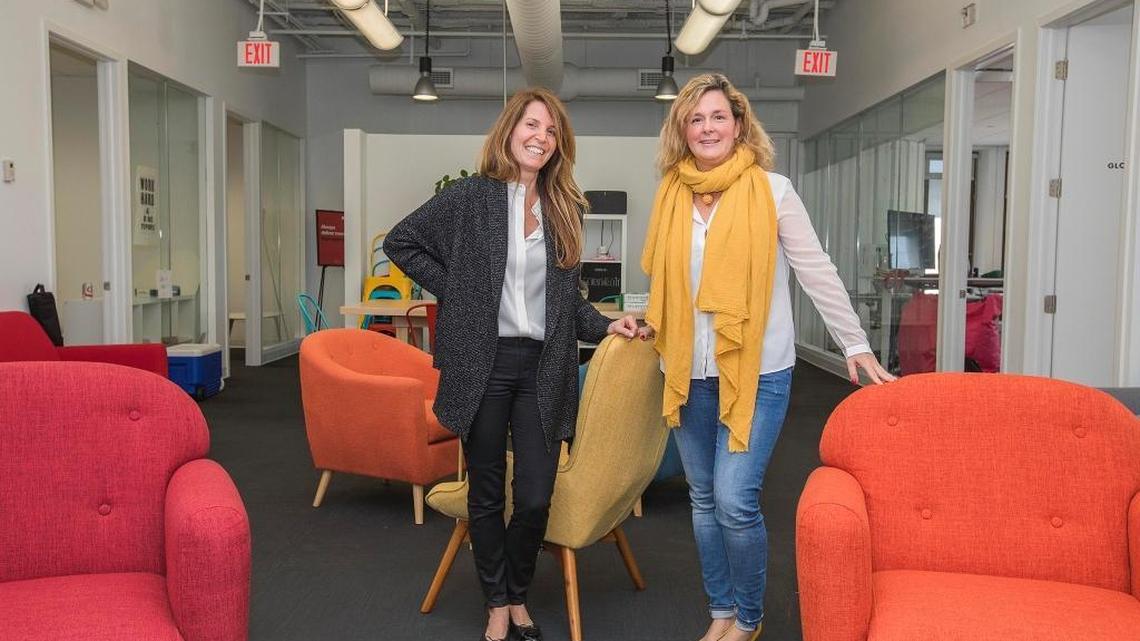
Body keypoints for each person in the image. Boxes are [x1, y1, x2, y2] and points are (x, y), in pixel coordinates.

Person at [638, 73, 895, 641]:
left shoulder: (772, 191)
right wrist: (646, 324)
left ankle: (750, 617)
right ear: (683, 129)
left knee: (734, 499)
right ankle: (722, 612)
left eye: (718, 117)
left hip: (758, 373)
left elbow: (815, 270)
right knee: (702, 501)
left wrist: (854, 342)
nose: (707, 127)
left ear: (739, 124)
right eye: (696, 118)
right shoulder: (672, 194)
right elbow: (667, 287)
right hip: (686, 371)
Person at [383, 87, 638, 641]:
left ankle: (518, 591)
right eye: (532, 125)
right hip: (484, 363)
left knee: (537, 494)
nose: (540, 138)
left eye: (551, 131)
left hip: (543, 366)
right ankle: (499, 603)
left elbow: (566, 301)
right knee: (487, 491)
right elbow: (402, 242)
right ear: (509, 130)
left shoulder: (563, 208)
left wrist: (606, 324)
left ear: (558, 145)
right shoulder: (472, 197)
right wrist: (462, 290)